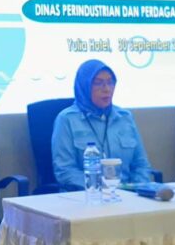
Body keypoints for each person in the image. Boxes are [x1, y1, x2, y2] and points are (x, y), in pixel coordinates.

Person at [51, 59, 152, 189]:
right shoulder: (67, 119)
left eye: (110, 82)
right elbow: (65, 171)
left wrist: (138, 188)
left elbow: (141, 165)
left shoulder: (125, 117)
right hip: (85, 195)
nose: (107, 89)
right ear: (85, 86)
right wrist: (101, 187)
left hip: (126, 194)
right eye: (98, 83)